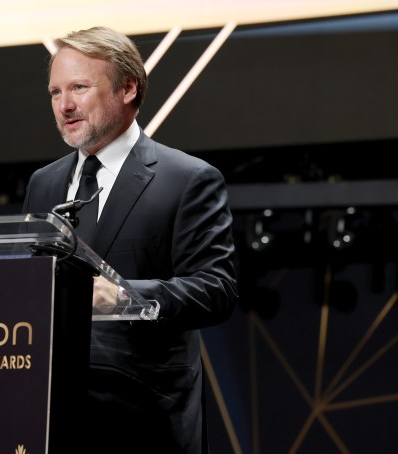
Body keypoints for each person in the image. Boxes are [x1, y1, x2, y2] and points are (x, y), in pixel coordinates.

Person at [22, 26, 239, 453]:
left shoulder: (187, 179)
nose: (64, 106)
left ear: (128, 88)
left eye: (79, 88)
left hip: (145, 420)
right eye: (55, 92)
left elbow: (217, 289)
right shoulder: (43, 184)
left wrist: (124, 296)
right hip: (54, 415)